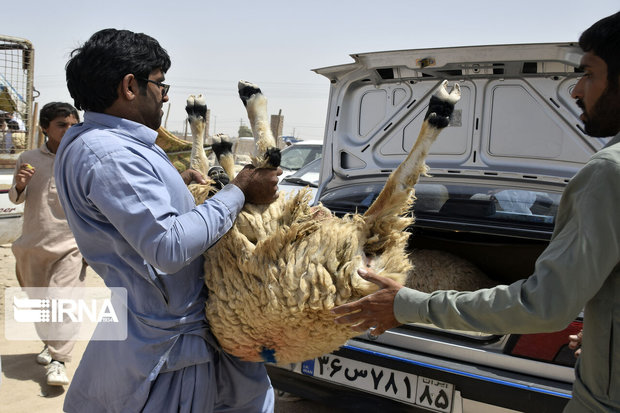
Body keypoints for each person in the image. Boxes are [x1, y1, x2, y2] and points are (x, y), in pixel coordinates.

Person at [332, 11, 620, 413]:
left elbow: (545, 307)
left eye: (588, 74)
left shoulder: (609, 172)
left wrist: (409, 304)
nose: (575, 91)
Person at [54, 29, 281, 413]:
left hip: (169, 332)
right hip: (174, 352)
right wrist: (240, 190)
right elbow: (168, 247)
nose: (166, 94)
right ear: (130, 86)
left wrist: (177, 186)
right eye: (159, 83)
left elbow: (135, 214)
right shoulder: (110, 154)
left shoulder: (103, 142)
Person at [9, 102, 85, 386]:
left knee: (63, 303)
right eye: (61, 125)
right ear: (44, 128)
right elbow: (16, 200)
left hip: (70, 247)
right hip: (32, 245)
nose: (68, 130)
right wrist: (18, 184)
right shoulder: (28, 159)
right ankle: (50, 344)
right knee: (41, 305)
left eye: (73, 124)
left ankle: (59, 361)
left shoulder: (81, 159)